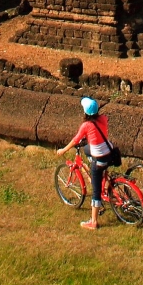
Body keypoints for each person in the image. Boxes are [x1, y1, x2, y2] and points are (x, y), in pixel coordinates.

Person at [57, 96, 114, 230]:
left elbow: (76, 140)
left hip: (100, 158)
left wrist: (63, 150)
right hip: (109, 152)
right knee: (87, 149)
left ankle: (93, 222)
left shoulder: (86, 125)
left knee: (96, 191)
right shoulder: (103, 118)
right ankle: (101, 177)